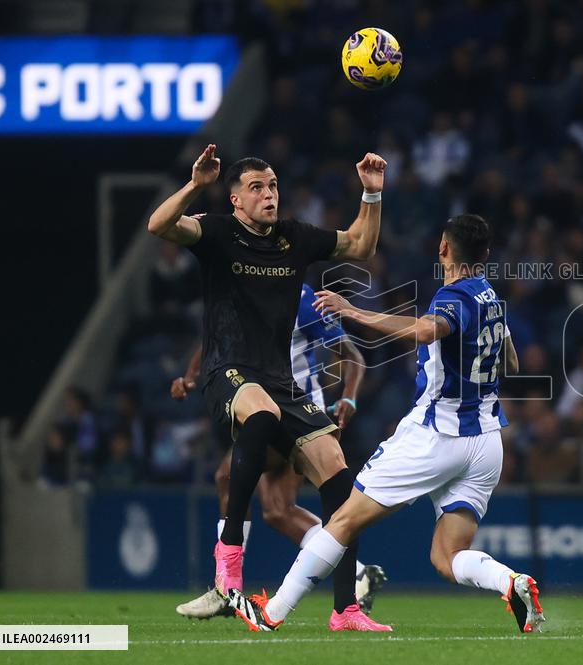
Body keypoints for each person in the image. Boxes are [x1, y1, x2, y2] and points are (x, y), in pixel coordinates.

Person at [229, 214, 545, 634]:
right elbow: (511, 363)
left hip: (437, 434)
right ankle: (510, 581)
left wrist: (352, 310)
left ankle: (272, 613)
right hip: (487, 442)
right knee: (447, 556)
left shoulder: (453, 299)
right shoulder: (491, 298)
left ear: (443, 249)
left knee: (342, 520)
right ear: (486, 255)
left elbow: (426, 330)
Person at [147, 144, 389, 631]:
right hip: (228, 372)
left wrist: (370, 193)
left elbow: (361, 246)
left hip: (283, 380)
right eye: (256, 188)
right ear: (235, 199)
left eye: (273, 185)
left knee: (338, 475)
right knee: (260, 417)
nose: (268, 195)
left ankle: (346, 609)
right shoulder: (217, 231)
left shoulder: (294, 238)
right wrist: (197, 184)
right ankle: (228, 571)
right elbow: (159, 225)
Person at [173, 283, 388, 620]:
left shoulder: (305, 302)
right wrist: (190, 375)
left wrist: (349, 396)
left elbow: (353, 356)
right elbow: (218, 336)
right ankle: (358, 572)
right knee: (277, 510)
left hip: (299, 413)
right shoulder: (246, 285)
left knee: (228, 477)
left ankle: (225, 589)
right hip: (264, 404)